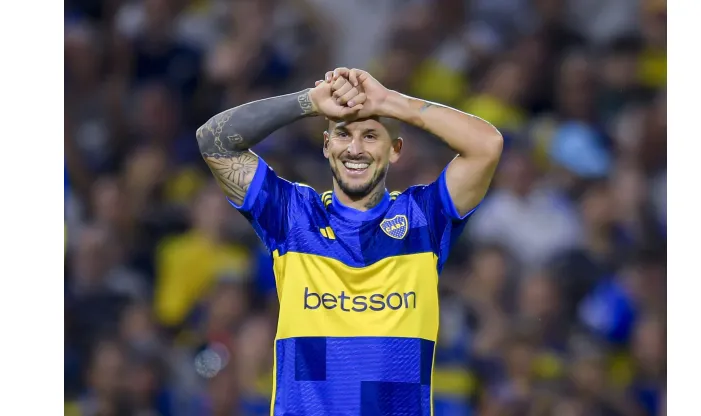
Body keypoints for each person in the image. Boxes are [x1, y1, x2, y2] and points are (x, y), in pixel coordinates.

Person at [195, 67, 504, 415]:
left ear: (395, 149)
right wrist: (310, 102)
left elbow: (487, 145)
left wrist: (390, 101)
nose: (355, 149)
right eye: (343, 134)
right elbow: (213, 141)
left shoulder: (423, 219)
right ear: (326, 146)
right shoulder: (294, 217)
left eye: (371, 136)